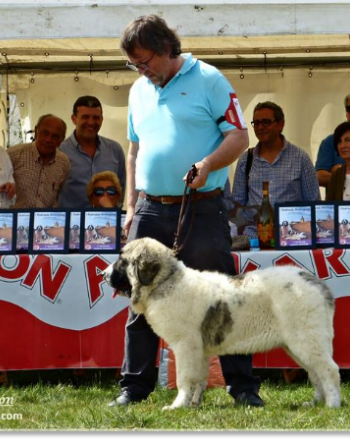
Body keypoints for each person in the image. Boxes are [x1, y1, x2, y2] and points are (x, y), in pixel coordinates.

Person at [109, 14, 263, 408]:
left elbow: (240, 137)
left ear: (166, 49)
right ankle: (134, 388)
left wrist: (208, 165)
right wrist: (130, 206)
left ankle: (243, 388)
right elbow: (133, 150)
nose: (142, 71)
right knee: (138, 298)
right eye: (134, 65)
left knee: (222, 297)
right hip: (147, 208)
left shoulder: (210, 79)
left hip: (202, 207)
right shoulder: (139, 89)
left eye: (145, 62)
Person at [229, 101, 320, 238]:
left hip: (293, 237)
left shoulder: (301, 158)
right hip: (254, 238)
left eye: (266, 122)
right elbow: (237, 206)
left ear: (280, 124)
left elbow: (314, 204)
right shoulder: (246, 160)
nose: (260, 127)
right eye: (256, 123)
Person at [58, 96, 126, 209]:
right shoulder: (59, 152)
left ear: (102, 119)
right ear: (74, 119)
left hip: (106, 223)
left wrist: (113, 215)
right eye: (85, 117)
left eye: (96, 118)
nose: (91, 122)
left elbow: (121, 190)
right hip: (71, 224)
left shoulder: (115, 150)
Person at [8, 114, 70, 208]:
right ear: (36, 131)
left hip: (46, 221)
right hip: (15, 220)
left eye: (55, 136)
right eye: (45, 133)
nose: (48, 139)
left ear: (61, 140)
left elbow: (58, 195)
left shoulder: (63, 162)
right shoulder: (13, 155)